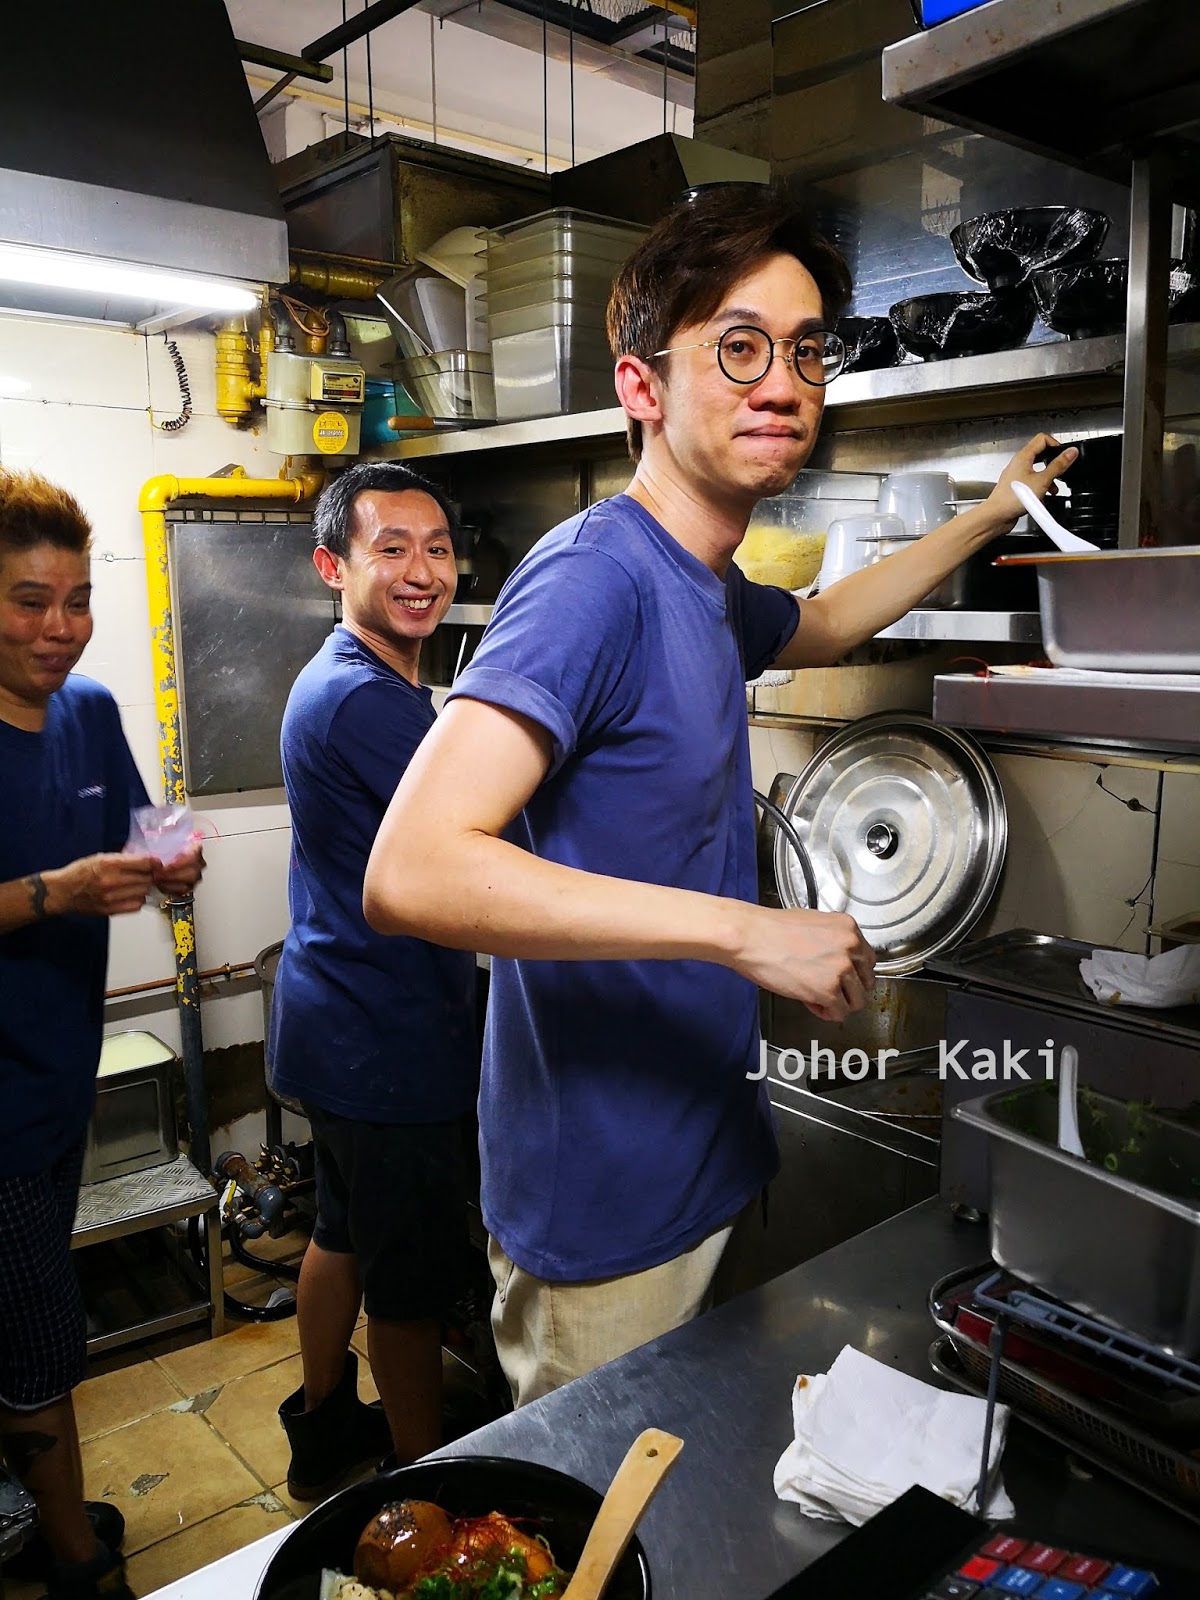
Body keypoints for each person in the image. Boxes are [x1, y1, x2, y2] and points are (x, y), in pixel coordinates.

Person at [362, 185, 1077, 1406]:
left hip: (705, 1148)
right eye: (737, 347)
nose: (782, 383)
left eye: (806, 351)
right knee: (605, 1552)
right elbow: (412, 869)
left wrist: (992, 514)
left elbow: (834, 617)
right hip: (606, 1204)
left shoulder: (704, 583)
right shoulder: (598, 580)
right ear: (642, 386)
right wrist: (753, 932)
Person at [0, 468, 204, 1600]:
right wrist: (54, 892)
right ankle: (77, 1563)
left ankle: (38, 1506)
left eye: (76, 600)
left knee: (20, 1322)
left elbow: (145, 825)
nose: (60, 628)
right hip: (4, 1114)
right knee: (39, 1350)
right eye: (30, 601)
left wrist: (174, 862)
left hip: (56, 1074)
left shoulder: (88, 710)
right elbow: (59, 884)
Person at [271, 462, 478, 1497]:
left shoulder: (345, 678)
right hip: (388, 1037)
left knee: (340, 1232)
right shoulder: (370, 704)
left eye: (436, 548)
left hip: (330, 1017)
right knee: (407, 1285)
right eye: (389, 547)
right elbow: (491, 834)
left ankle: (321, 1429)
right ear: (332, 566)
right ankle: (417, 1483)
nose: (420, 570)